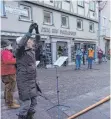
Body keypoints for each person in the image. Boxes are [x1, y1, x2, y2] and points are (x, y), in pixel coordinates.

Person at [15, 23, 40, 119]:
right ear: (25, 43)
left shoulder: (31, 50)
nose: (32, 41)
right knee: (26, 103)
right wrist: (29, 32)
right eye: (30, 40)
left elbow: (37, 41)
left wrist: (37, 32)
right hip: (24, 81)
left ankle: (30, 117)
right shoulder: (19, 52)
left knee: (34, 102)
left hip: (32, 81)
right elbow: (20, 45)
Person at [1, 40, 20, 109]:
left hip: (7, 73)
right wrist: (17, 60)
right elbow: (7, 61)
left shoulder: (4, 51)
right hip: (9, 73)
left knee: (8, 88)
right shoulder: (6, 52)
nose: (11, 46)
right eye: (9, 45)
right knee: (10, 88)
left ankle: (8, 100)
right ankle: (10, 103)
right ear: (6, 46)